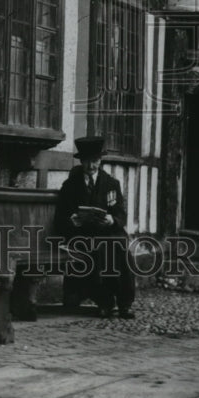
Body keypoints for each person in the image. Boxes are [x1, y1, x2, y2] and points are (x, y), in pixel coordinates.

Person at [54, 136, 135, 319]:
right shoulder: (70, 186)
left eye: (95, 161)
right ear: (81, 161)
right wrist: (71, 221)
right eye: (88, 161)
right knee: (98, 251)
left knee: (121, 249)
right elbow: (60, 217)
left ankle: (125, 303)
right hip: (82, 234)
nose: (91, 166)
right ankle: (105, 302)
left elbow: (121, 213)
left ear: (100, 160)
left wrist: (112, 219)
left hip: (108, 231)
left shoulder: (111, 184)